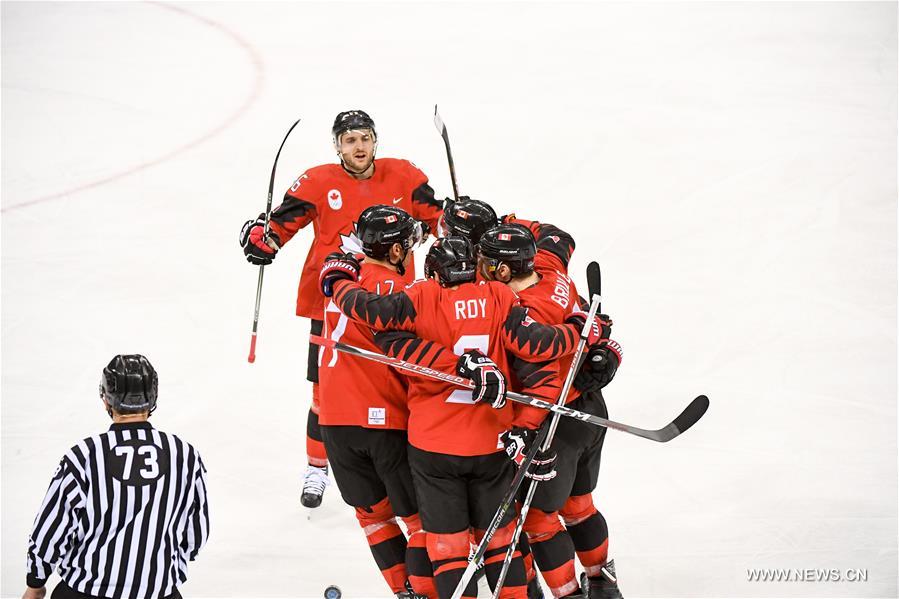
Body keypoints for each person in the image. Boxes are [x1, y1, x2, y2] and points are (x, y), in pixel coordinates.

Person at [318, 237, 612, 599]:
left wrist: (337, 281)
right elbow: (542, 361)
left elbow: (379, 325)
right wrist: (587, 331)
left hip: (433, 447)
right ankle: (591, 585)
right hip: (496, 442)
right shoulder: (504, 296)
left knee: (446, 548)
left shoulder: (422, 296)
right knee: (506, 542)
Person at [238, 110, 444, 509]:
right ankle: (317, 468)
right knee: (324, 393)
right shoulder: (317, 182)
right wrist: (262, 239)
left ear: (375, 140)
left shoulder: (403, 175)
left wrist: (457, 222)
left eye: (364, 138)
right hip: (333, 303)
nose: (359, 146)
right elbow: (280, 226)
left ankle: (411, 459)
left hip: (395, 301)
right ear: (337, 147)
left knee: (406, 382)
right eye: (349, 140)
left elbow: (438, 219)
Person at [477, 220, 623, 599]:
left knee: (541, 521)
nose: (479, 268)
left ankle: (570, 594)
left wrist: (525, 426)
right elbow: (559, 236)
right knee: (579, 505)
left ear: (503, 270)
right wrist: (508, 222)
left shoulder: (521, 311)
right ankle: (604, 585)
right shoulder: (549, 267)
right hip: (589, 409)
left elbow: (541, 363)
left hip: (553, 420)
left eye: (485, 262)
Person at [317, 205, 435, 598]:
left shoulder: (340, 279)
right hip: (385, 418)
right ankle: (423, 591)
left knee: (373, 517)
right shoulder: (399, 291)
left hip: (333, 420)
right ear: (397, 252)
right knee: (419, 520)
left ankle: (403, 592)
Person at [23, 355, 209, 599]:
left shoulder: (83, 456)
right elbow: (196, 533)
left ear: (106, 400)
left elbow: (49, 531)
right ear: (152, 397)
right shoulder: (185, 456)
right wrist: (158, 571)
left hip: (85, 592)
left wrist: (35, 584)